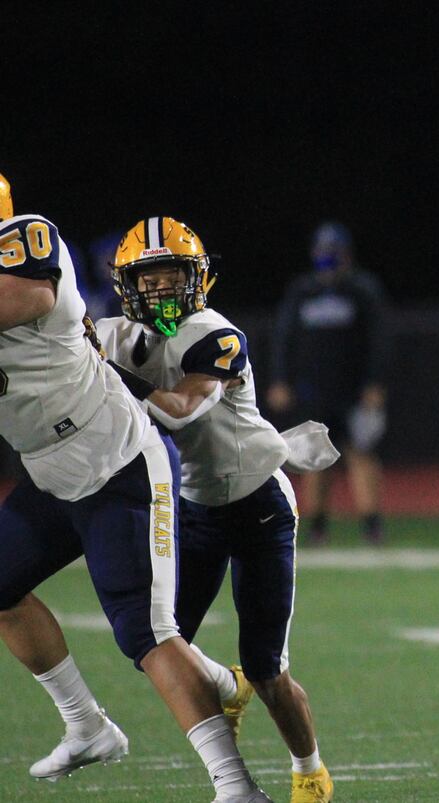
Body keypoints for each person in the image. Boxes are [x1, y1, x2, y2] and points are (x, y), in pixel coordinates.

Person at [0, 174, 270, 801]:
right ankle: (87, 725)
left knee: (145, 633)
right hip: (48, 472)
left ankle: (236, 786)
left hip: (117, 460)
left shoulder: (27, 237)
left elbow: (31, 298)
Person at [95, 216, 335, 802]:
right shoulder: (113, 336)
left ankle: (310, 771)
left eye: (172, 275)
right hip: (195, 506)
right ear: (128, 285)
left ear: (197, 278)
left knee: (268, 671)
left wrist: (109, 373)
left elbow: (178, 411)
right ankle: (222, 686)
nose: (161, 290)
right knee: (155, 644)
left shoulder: (215, 334)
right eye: (148, 280)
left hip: (258, 505)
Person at [267, 222, 389, 545]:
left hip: (354, 391)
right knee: (315, 460)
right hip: (313, 391)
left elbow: (378, 339)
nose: (328, 261)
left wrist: (375, 382)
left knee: (361, 454)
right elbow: (284, 338)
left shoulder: (362, 291)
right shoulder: (302, 292)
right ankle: (317, 527)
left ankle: (372, 525)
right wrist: (281, 379)